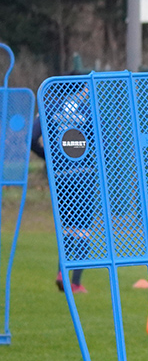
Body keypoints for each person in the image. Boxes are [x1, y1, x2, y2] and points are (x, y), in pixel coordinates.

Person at [31, 113, 87, 293]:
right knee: (83, 231)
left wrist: (50, 156)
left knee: (68, 228)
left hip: (60, 175)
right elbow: (101, 141)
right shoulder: (87, 108)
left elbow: (31, 138)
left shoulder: (49, 108)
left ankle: (62, 273)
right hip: (82, 173)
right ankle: (75, 283)